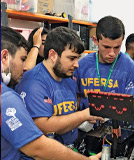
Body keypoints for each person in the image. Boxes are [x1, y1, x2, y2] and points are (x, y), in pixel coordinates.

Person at [1, 26, 101, 160]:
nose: (77, 64)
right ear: (53, 55)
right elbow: (41, 137)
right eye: (71, 58)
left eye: (78, 58)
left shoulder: (69, 80)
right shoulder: (26, 86)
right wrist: (84, 115)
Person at [73, 16, 134, 115]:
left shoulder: (129, 67)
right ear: (95, 40)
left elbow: (131, 106)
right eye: (106, 47)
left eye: (117, 47)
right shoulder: (81, 65)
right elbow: (77, 99)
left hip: (117, 126)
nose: (112, 53)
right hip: (87, 125)